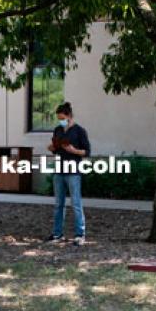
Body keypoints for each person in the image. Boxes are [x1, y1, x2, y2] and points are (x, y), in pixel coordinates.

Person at [46, 102, 91, 246]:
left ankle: (80, 234)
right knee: (59, 204)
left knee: (76, 203)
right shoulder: (57, 130)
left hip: (73, 171)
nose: (60, 120)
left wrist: (74, 151)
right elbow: (54, 148)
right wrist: (52, 147)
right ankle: (57, 233)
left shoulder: (79, 131)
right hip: (59, 170)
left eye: (62, 117)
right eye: (59, 118)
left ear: (69, 116)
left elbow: (87, 151)